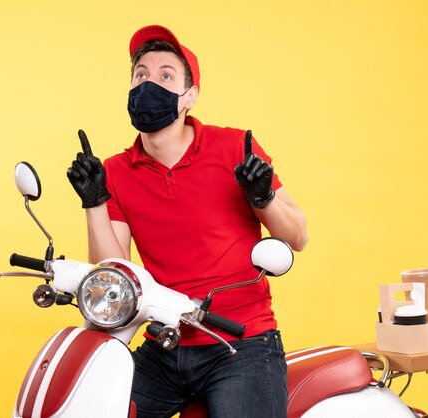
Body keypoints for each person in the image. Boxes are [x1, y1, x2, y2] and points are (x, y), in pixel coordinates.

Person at [67, 25, 308, 418]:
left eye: (166, 76)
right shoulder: (116, 170)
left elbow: (297, 237)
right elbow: (116, 275)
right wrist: (94, 202)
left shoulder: (233, 147)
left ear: (189, 97)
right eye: (141, 75)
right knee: (93, 407)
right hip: (164, 342)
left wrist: (262, 198)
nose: (149, 84)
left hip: (241, 343)